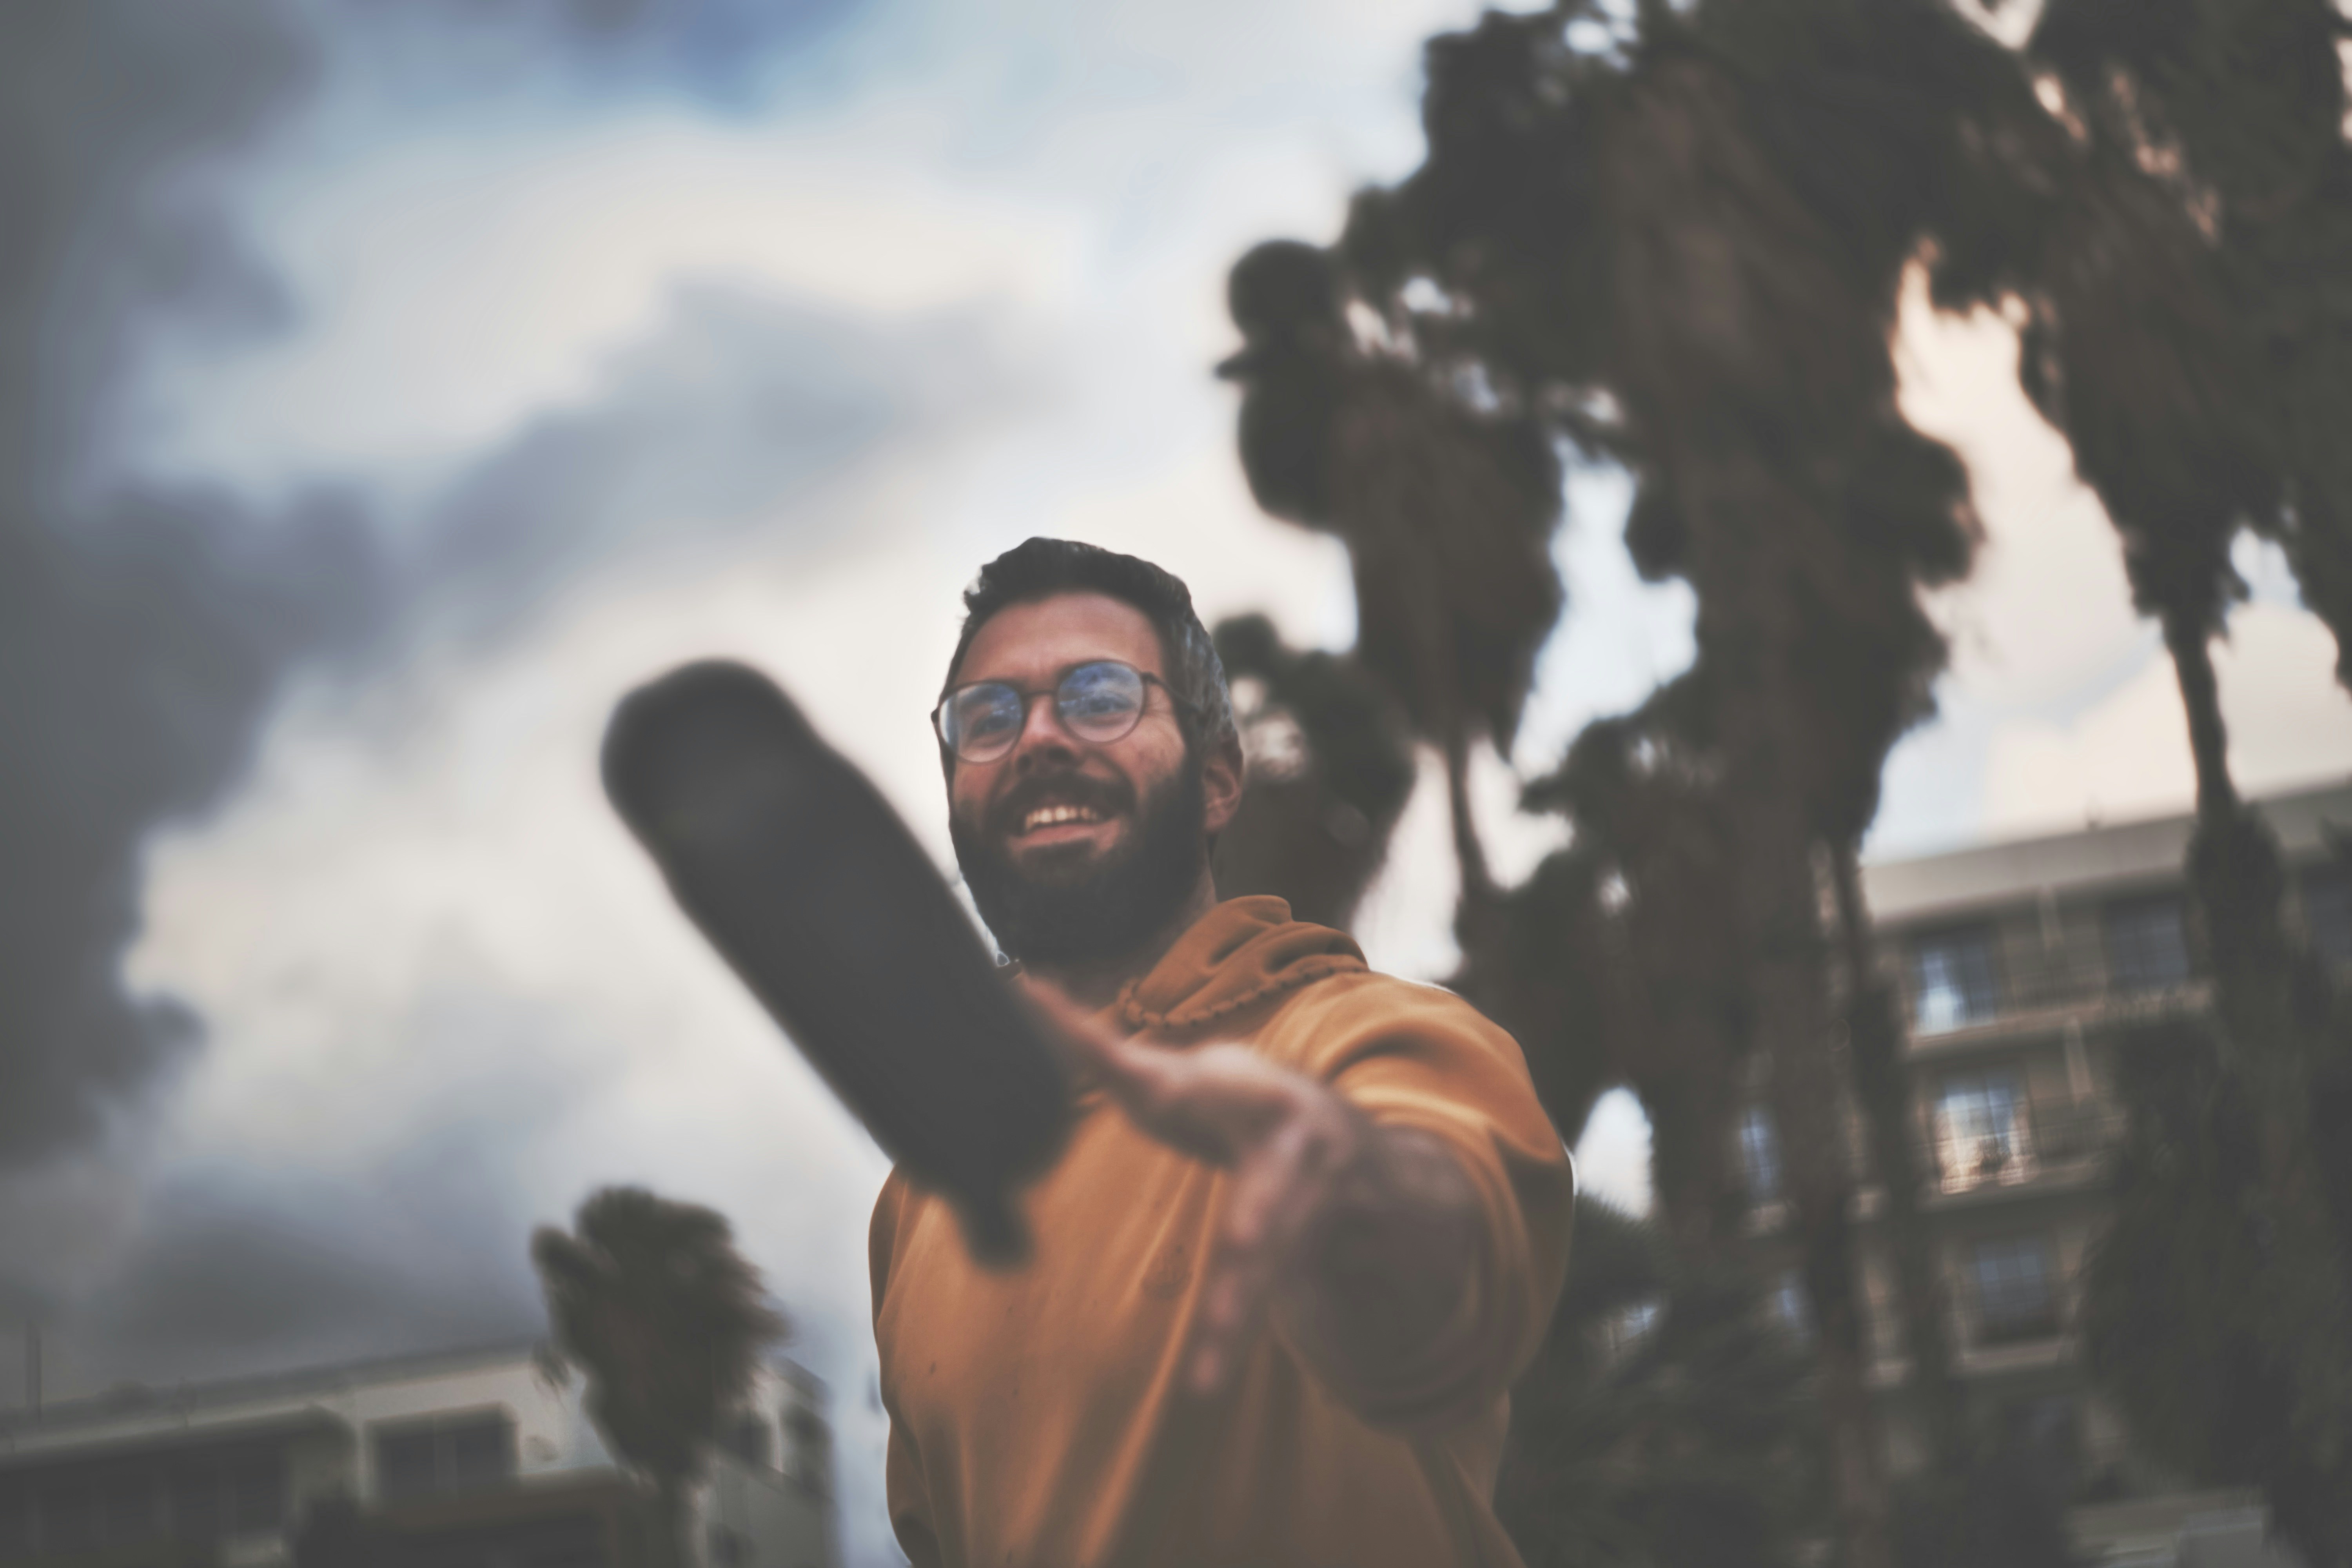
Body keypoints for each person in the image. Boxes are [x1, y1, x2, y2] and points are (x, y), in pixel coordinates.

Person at [869, 538, 1573, 1568]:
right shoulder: (919, 1200)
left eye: (1100, 696)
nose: (1038, 740)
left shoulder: (1369, 1041)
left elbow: (1455, 1253)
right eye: (989, 717)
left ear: (1218, 782)